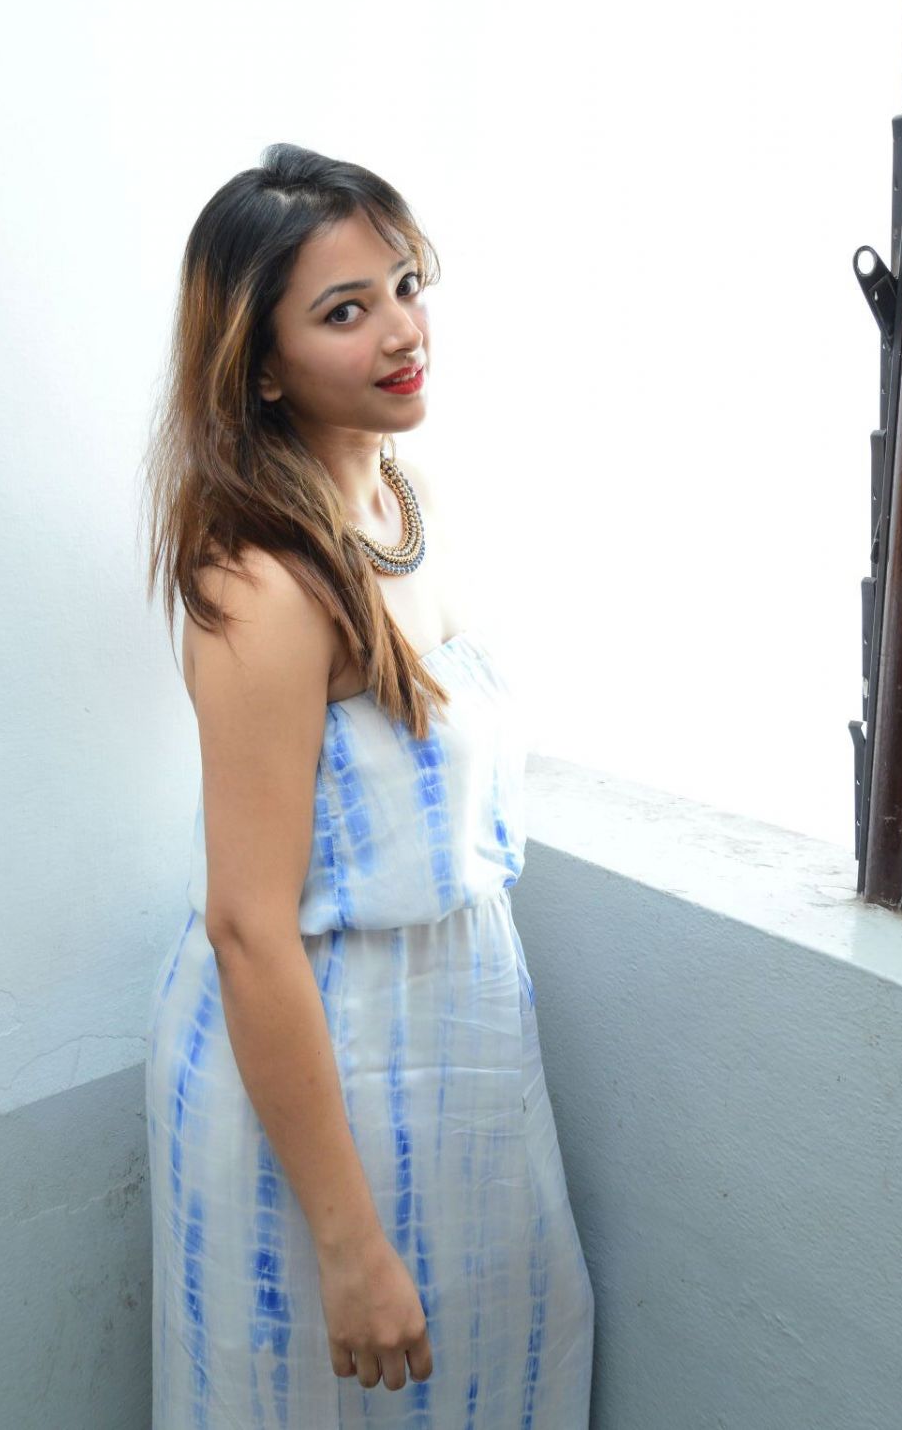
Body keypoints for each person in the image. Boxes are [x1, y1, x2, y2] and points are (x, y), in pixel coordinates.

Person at [141, 142, 595, 1428]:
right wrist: (347, 1245)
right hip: (327, 1081)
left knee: (506, 1369)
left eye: (405, 284)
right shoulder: (261, 586)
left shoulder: (402, 492)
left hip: (461, 1048)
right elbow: (248, 927)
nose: (403, 331)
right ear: (260, 364)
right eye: (345, 311)